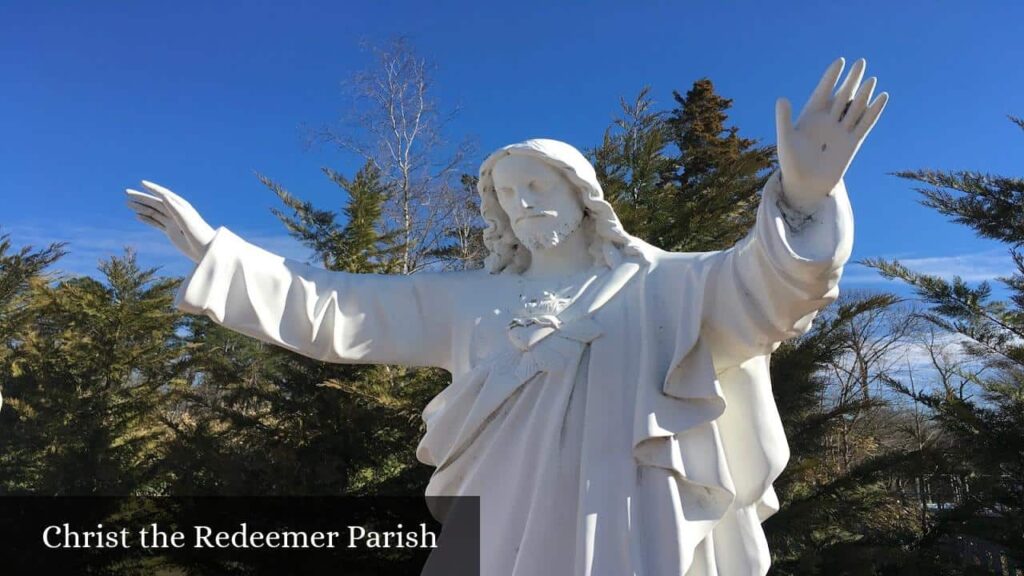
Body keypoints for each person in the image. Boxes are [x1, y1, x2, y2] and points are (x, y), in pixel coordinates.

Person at [127, 58, 887, 576]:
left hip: (619, 513)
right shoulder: (470, 299)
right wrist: (212, 249)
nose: (523, 206)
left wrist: (803, 199)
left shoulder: (667, 285)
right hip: (502, 512)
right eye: (508, 195)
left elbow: (771, 291)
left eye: (537, 188)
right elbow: (338, 307)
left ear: (583, 197)